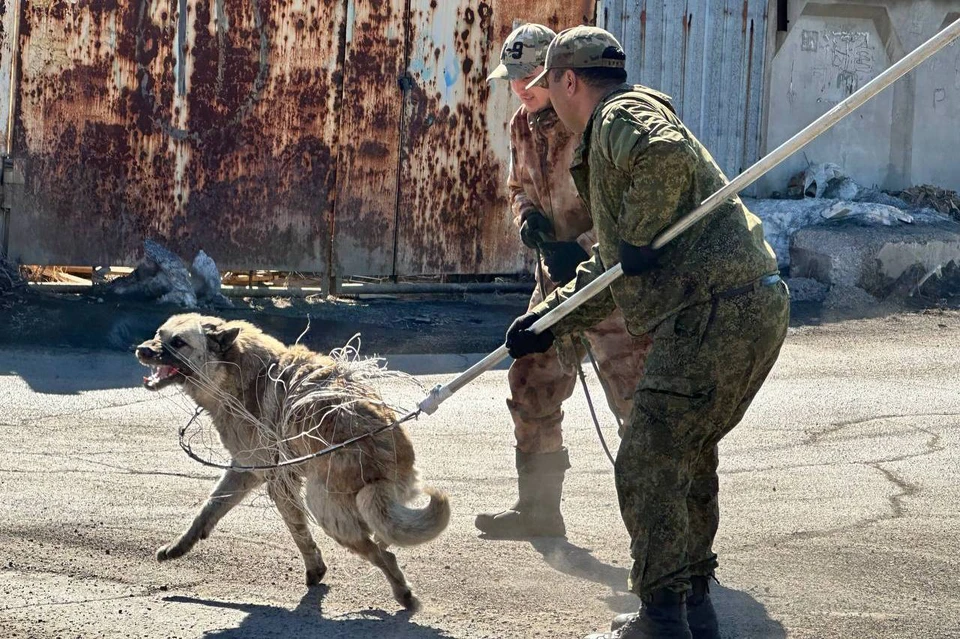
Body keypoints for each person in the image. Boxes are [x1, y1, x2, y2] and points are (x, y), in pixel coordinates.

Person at [505, 26, 790, 639]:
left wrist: (641, 232)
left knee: (648, 459)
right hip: (743, 304)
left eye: (548, 85)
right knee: (683, 453)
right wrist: (547, 321)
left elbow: (662, 158)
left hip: (719, 307)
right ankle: (693, 608)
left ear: (568, 81)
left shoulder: (618, 116)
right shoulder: (610, 122)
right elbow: (611, 260)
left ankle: (660, 619)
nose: (544, 98)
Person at [478, 23, 652, 539]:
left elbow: (626, 213)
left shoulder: (593, 124)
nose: (519, 90)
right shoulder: (520, 126)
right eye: (511, 80)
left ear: (558, 76)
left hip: (609, 286)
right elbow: (518, 187)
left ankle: (660, 543)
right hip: (552, 281)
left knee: (635, 402)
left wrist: (578, 249)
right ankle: (539, 511)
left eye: (529, 78)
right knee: (531, 379)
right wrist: (527, 217)